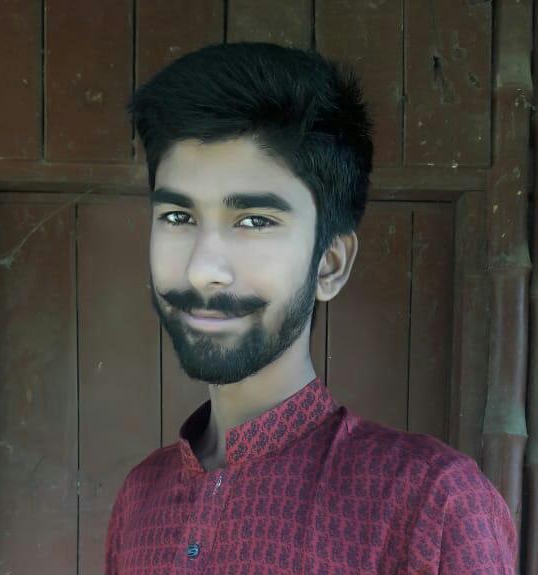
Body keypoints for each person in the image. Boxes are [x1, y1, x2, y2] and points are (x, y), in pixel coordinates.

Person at [104, 42, 516, 574]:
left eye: (255, 221)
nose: (203, 269)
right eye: (178, 217)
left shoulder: (432, 504)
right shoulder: (141, 496)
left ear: (330, 264)